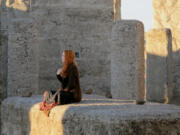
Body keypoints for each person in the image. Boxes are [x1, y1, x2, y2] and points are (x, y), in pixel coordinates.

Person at [40, 50, 82, 116]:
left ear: (67, 57)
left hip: (73, 95)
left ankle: (49, 105)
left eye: (63, 56)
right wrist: (59, 75)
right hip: (67, 92)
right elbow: (64, 84)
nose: (61, 57)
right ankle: (50, 102)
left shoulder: (73, 68)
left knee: (58, 95)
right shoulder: (67, 67)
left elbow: (70, 85)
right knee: (48, 93)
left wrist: (59, 75)